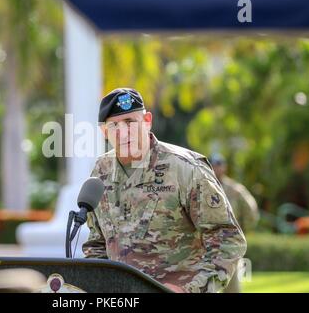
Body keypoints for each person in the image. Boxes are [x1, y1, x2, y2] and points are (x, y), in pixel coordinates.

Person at [82, 87, 247, 293]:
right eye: (114, 125)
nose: (123, 132)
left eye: (130, 122)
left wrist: (188, 289)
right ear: (104, 132)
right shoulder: (101, 171)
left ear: (147, 121)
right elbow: (97, 244)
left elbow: (228, 239)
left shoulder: (185, 168)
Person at [210, 153, 259, 293]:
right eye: (212, 164)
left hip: (229, 246)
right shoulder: (201, 186)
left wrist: (241, 232)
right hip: (204, 246)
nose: (215, 167)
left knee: (232, 287)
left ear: (224, 167)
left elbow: (251, 212)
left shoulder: (235, 190)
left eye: (219, 164)